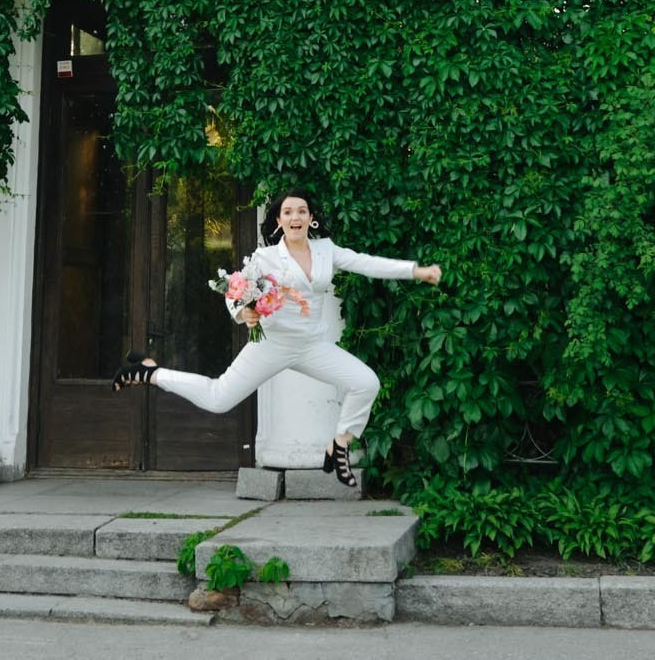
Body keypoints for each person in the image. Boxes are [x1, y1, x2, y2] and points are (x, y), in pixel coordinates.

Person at [112, 188, 442, 488]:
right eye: (288, 212)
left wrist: (416, 271)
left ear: (312, 219)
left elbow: (366, 263)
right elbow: (235, 292)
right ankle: (150, 372)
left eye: (302, 211)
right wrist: (244, 313)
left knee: (366, 383)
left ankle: (339, 443)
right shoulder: (266, 257)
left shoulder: (327, 251)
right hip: (272, 344)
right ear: (279, 220)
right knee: (218, 399)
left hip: (312, 346)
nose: (295, 217)